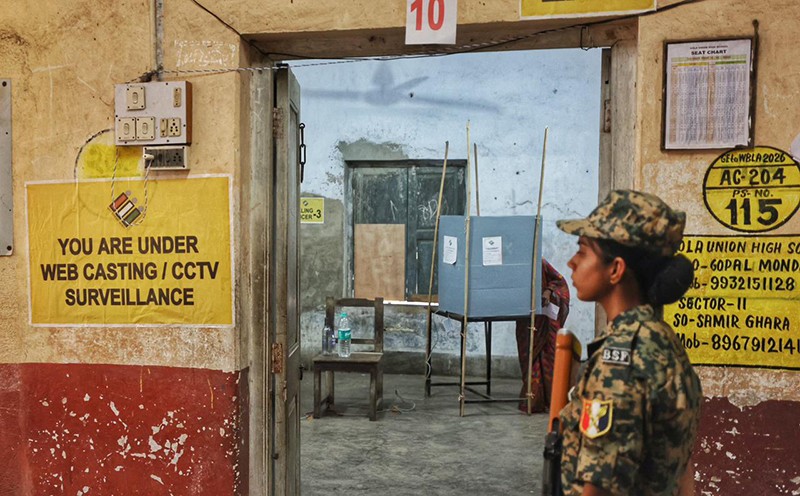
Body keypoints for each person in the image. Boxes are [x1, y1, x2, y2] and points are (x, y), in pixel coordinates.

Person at [555, 189, 702, 496]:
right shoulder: (662, 342)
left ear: (615, 269)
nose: (572, 262)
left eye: (583, 251)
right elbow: (684, 469)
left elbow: (600, 486)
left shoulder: (620, 361)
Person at [515, 259, 570, 413]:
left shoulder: (539, 262)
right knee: (528, 357)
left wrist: (548, 291)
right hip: (525, 319)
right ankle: (533, 399)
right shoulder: (514, 265)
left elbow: (560, 282)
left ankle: (549, 400)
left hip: (545, 321)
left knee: (546, 359)